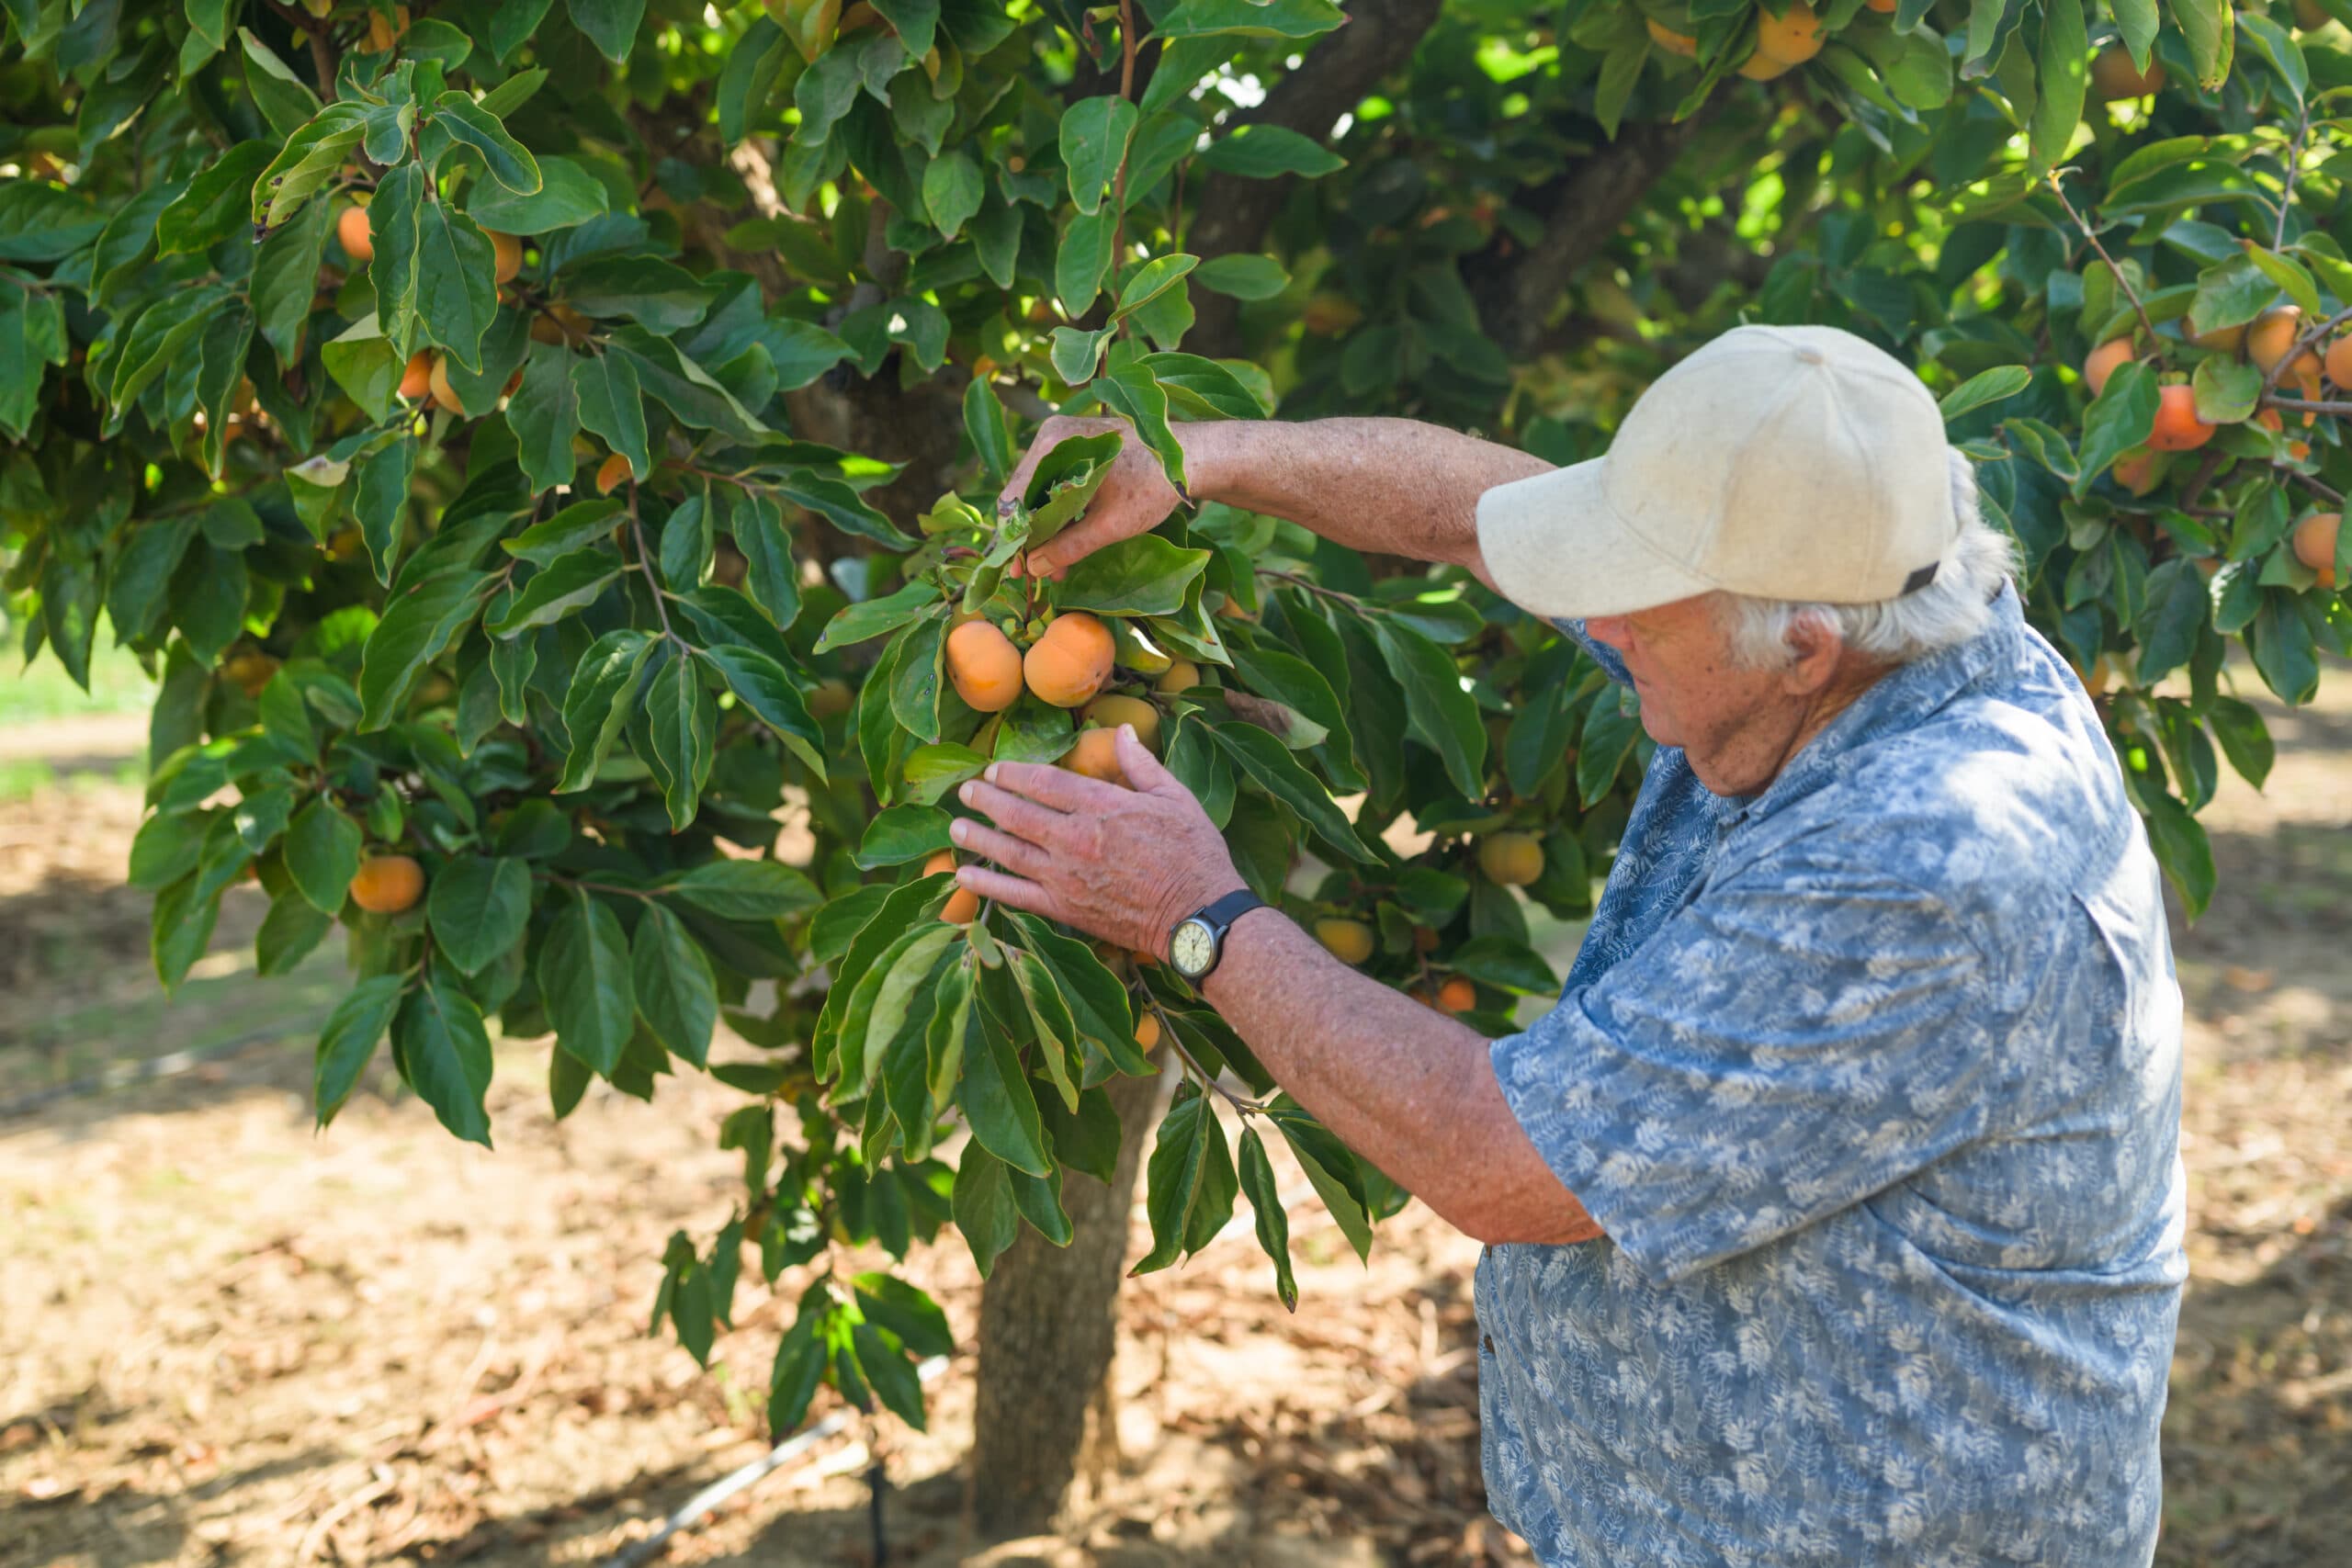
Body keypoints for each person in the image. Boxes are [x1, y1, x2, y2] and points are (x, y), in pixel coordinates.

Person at [945, 324, 2186, 1564]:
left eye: (1637, 605)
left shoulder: (1920, 861)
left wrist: (1195, 920)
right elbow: (1468, 515)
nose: (1604, 621)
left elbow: (1503, 1162)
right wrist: (1199, 457)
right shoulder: (1870, 620)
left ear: (1804, 646)